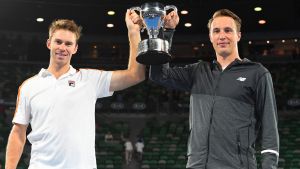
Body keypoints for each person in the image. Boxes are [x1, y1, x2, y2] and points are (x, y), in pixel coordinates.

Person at [5, 10, 145, 169]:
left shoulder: (90, 79)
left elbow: (135, 75)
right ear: (49, 43)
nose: (62, 48)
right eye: (58, 42)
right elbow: (18, 132)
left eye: (68, 44)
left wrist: (133, 32)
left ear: (75, 48)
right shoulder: (28, 86)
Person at [150, 9, 279, 169]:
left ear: (238, 35)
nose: (222, 36)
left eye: (228, 30)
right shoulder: (198, 71)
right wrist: (167, 32)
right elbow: (159, 75)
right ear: (211, 37)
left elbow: (269, 127)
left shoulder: (257, 73)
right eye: (216, 31)